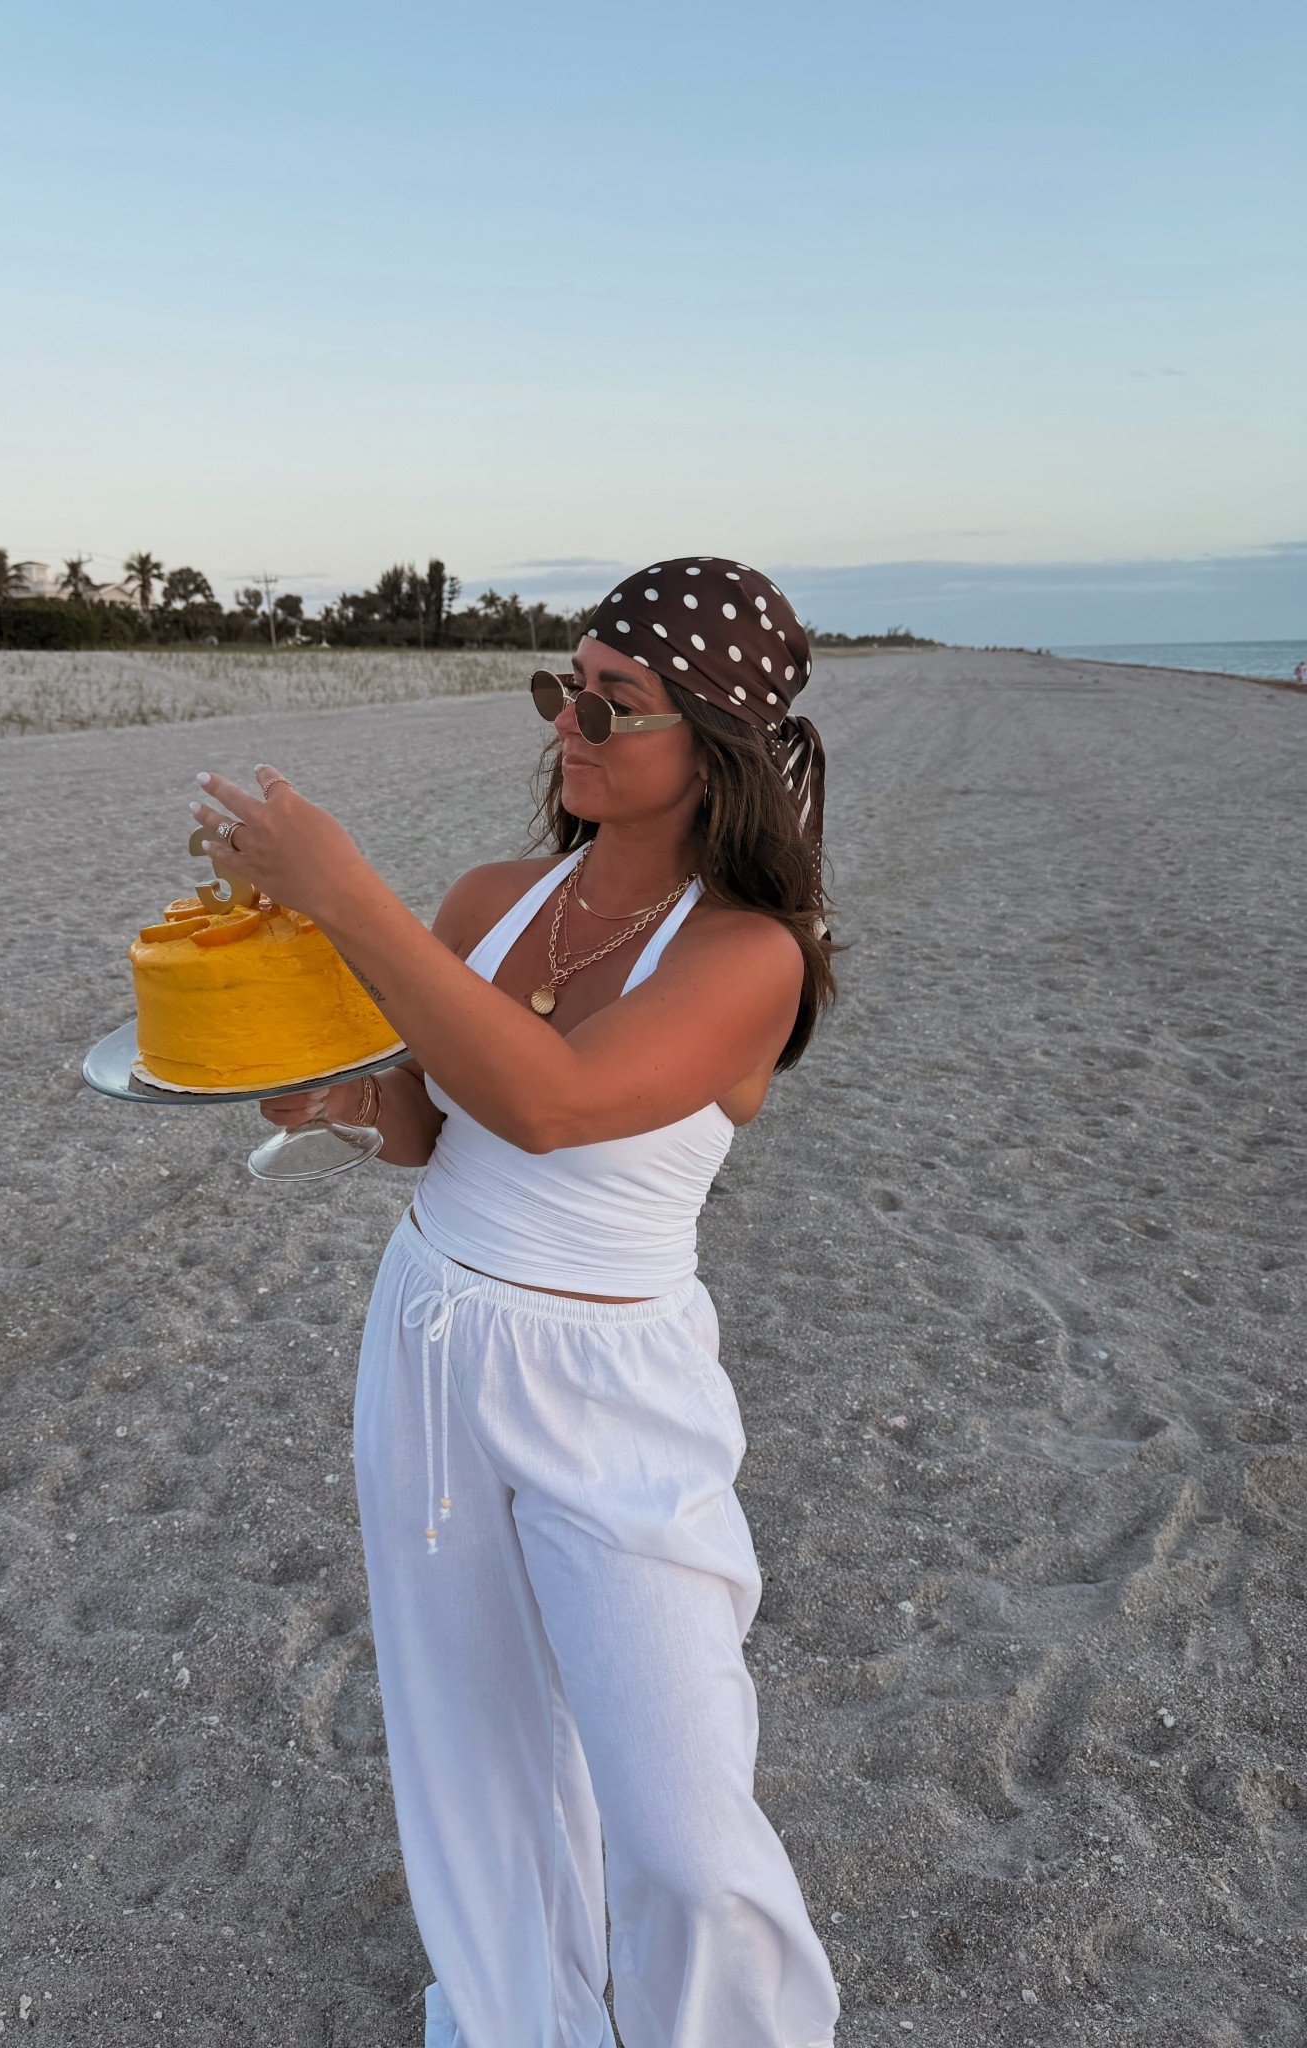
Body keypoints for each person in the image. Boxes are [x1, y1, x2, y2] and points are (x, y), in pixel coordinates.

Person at [191, 556, 843, 2048]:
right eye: (564, 687)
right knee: (472, 1754)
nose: (573, 725)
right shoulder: (493, 897)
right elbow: (440, 1121)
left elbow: (551, 1105)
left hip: (612, 1383)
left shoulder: (752, 957)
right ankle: (517, 2023)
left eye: (617, 705)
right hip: (428, 1340)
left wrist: (344, 890)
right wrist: (334, 1097)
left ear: (721, 747)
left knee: (681, 1827)